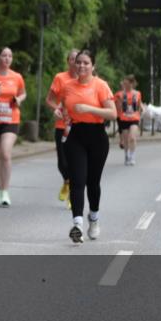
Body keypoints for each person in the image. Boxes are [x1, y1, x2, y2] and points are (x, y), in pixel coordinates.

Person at [46, 50, 116, 243]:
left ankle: (93, 218)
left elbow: (113, 113)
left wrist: (89, 109)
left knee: (93, 182)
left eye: (86, 63)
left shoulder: (100, 86)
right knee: (77, 180)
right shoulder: (67, 86)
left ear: (93, 66)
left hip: (97, 137)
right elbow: (57, 103)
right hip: (75, 135)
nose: (82, 66)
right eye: (78, 63)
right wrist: (58, 111)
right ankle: (77, 224)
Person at [0, 46, 25, 206]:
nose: (7, 58)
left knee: (5, 153)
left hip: (11, 119)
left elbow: (23, 92)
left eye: (10, 56)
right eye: (4, 55)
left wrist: (19, 99)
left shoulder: (17, 77)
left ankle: (6, 191)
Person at [46, 50, 79, 209]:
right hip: (62, 126)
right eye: (72, 59)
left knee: (76, 162)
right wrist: (56, 109)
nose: (75, 62)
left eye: (78, 59)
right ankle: (67, 181)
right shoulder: (60, 78)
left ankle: (73, 195)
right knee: (62, 162)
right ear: (68, 61)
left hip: (80, 127)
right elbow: (50, 100)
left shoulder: (86, 80)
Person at [115, 76, 142, 165]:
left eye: (128, 83)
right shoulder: (119, 94)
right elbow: (118, 108)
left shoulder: (137, 93)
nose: (126, 85)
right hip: (124, 118)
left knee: (132, 137)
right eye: (125, 83)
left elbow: (139, 106)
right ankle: (126, 155)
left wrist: (141, 112)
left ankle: (132, 156)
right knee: (126, 139)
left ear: (132, 83)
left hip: (134, 118)